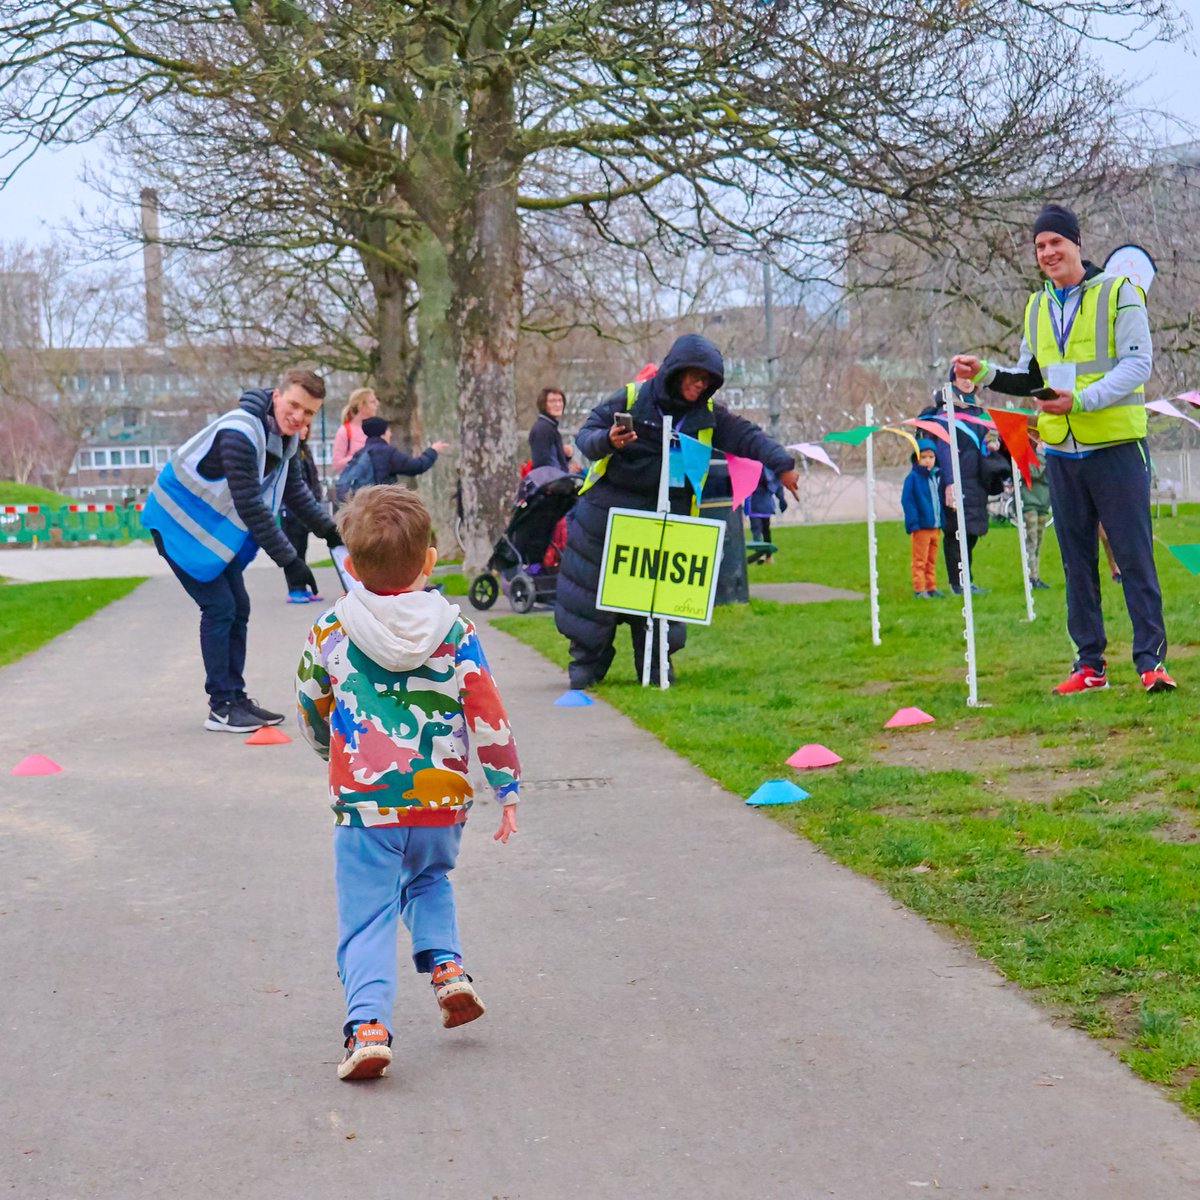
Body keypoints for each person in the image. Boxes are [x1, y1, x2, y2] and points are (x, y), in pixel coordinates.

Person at [295, 485, 520, 1081]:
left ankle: (368, 1028)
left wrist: (329, 752)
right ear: (429, 560)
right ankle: (448, 969)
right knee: (428, 878)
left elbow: (311, 704)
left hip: (366, 804)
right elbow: (486, 708)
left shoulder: (331, 630)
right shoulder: (454, 629)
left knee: (368, 914)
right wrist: (506, 785)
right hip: (440, 798)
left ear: (349, 563)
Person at [952, 202, 1175, 694]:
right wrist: (983, 372)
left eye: (1056, 241)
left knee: (1134, 557)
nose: (1048, 252)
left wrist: (1083, 401)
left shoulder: (1121, 292)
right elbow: (1030, 376)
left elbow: (1138, 366)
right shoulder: (1036, 306)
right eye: (1039, 246)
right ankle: (1089, 665)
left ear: (1076, 243)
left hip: (1116, 446)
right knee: (1076, 563)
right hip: (1063, 455)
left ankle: (1151, 663)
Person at [555, 333, 799, 688]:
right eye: (694, 375)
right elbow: (586, 435)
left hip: (668, 519)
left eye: (707, 380)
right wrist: (608, 440)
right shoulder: (632, 397)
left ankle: (656, 667)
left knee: (657, 604)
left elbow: (749, 437)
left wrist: (783, 464)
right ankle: (587, 666)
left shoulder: (709, 415)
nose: (700, 384)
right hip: (606, 517)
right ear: (675, 371)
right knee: (593, 604)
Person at [142, 366, 341, 733]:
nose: (299, 417)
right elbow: (250, 504)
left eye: (310, 412)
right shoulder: (239, 432)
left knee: (238, 607)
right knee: (220, 607)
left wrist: (330, 532)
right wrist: (291, 562)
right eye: (295, 405)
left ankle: (235, 698)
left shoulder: (283, 437)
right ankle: (221, 707)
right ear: (277, 395)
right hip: (174, 525)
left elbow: (294, 490)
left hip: (204, 533)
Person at [918, 380, 997, 595]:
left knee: (971, 531)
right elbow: (944, 449)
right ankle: (958, 582)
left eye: (971, 376)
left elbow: (982, 443)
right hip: (954, 480)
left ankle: (966, 579)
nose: (968, 381)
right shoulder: (945, 414)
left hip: (975, 480)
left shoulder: (978, 412)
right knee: (955, 532)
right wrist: (950, 483)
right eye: (962, 376)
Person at [280, 419, 326, 603]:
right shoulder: (288, 453)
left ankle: (303, 586)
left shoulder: (304, 450)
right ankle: (294, 589)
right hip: (290, 511)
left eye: (307, 426)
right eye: (302, 427)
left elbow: (312, 478)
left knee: (302, 549)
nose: (305, 430)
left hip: (305, 511)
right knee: (293, 550)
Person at [901, 439, 944, 598]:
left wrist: (941, 520)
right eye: (924, 457)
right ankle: (919, 589)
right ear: (917, 458)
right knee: (920, 560)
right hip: (921, 527)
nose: (928, 460)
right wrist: (914, 524)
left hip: (935, 525)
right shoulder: (912, 478)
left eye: (931, 457)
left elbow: (938, 501)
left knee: (931, 560)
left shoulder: (935, 477)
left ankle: (931, 586)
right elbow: (908, 501)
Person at [357, 416, 449, 486]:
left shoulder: (360, 453)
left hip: (365, 505)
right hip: (383, 504)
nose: (390, 434)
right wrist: (433, 451)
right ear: (382, 434)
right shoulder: (386, 452)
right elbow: (416, 466)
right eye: (388, 431)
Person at [1021, 434, 1052, 591]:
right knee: (1031, 540)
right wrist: (1040, 455)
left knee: (1038, 541)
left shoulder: (1049, 454)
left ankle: (1035, 575)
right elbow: (1034, 472)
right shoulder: (1028, 454)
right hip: (1030, 501)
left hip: (1043, 502)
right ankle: (1031, 577)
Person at [528, 386, 580, 473]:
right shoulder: (543, 429)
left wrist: (565, 456)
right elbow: (545, 464)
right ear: (543, 404)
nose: (558, 405)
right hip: (551, 483)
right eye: (552, 401)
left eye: (560, 400)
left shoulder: (549, 426)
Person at [331, 387, 380, 474]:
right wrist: (361, 456)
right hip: (355, 484)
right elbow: (336, 464)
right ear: (361, 406)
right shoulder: (345, 431)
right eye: (372, 402)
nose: (377, 404)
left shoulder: (377, 430)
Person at [745, 465, 786, 563]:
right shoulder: (770, 471)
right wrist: (781, 499)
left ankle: (760, 554)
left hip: (754, 506)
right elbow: (777, 485)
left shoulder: (751, 470)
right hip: (766, 506)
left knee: (757, 531)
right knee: (766, 531)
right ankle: (768, 557)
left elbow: (746, 489)